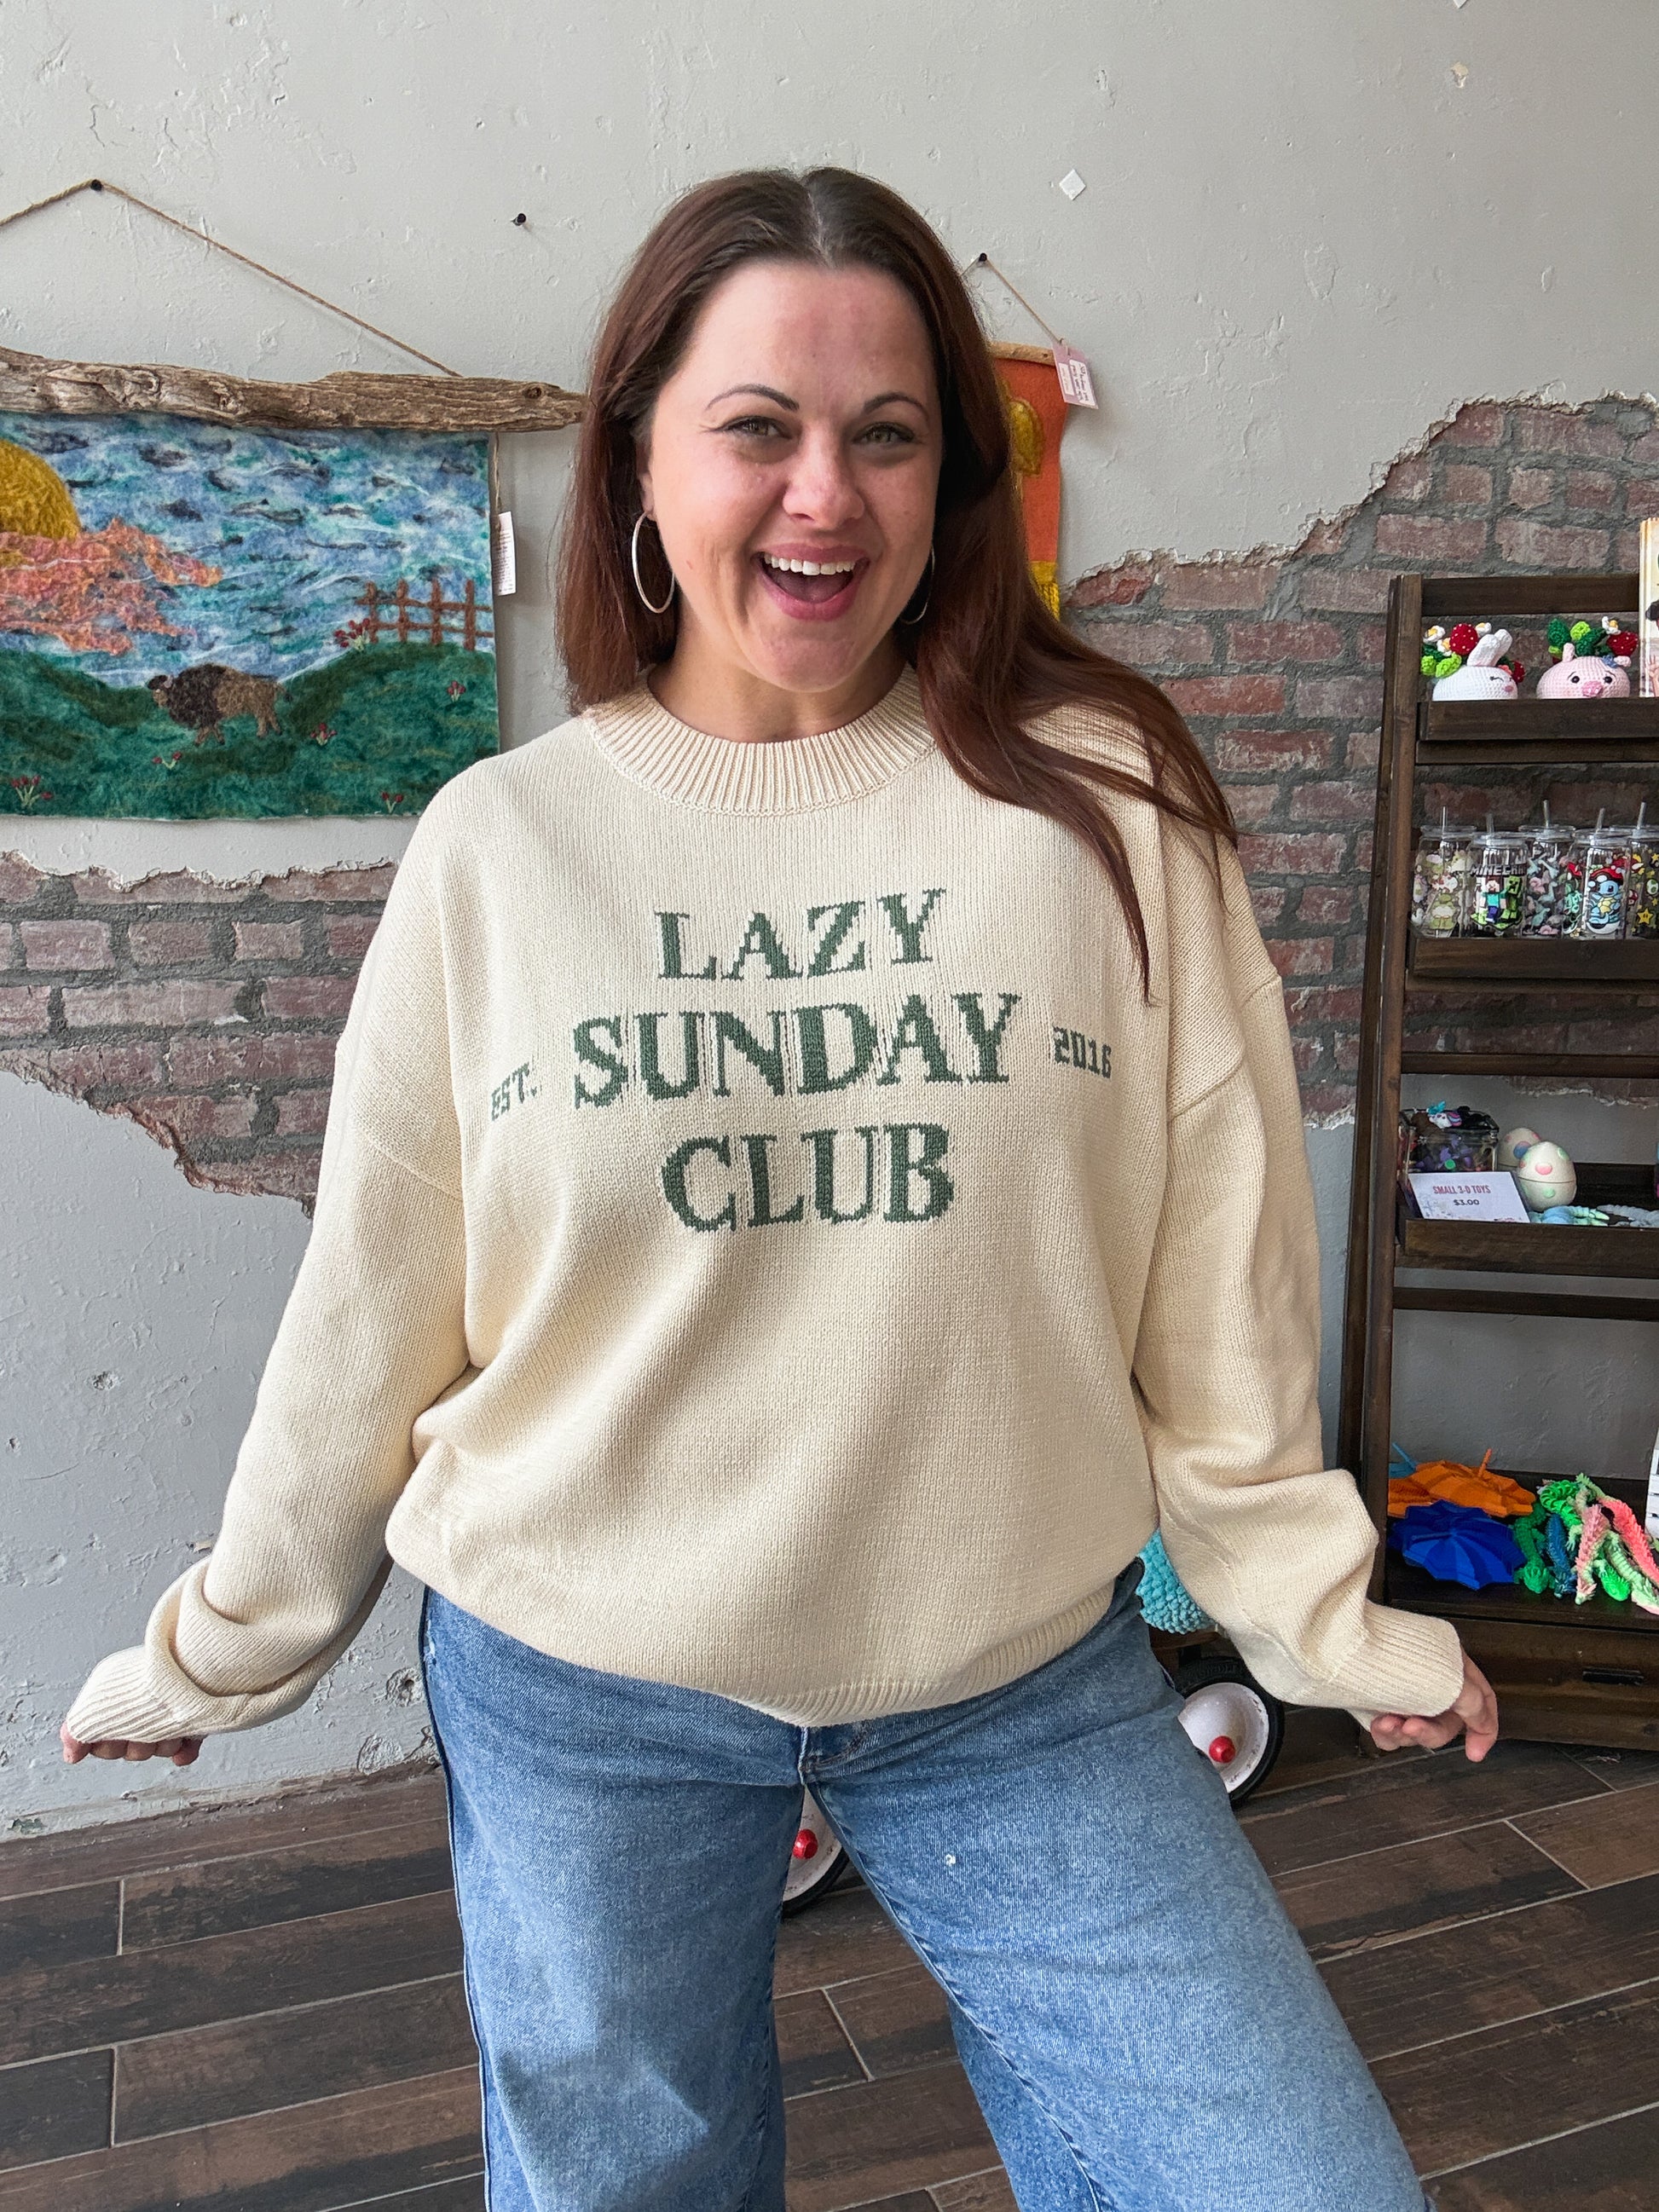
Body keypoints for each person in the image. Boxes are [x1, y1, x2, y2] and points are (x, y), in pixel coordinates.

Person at [62, 165, 1495, 2212]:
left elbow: (1221, 1286)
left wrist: (1321, 1621)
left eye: (886, 434)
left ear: (951, 482)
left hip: (1017, 1676)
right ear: (638, 458)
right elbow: (372, 1306)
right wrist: (227, 1643)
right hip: (587, 1691)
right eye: (758, 426)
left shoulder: (1106, 811)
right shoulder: (501, 847)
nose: (825, 495)